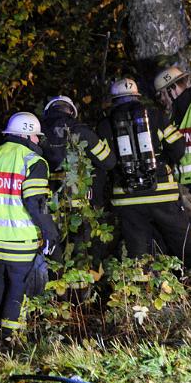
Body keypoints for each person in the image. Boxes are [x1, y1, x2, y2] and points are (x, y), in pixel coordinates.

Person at [0, 112, 58, 348]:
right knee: (17, 287)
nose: (38, 141)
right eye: (36, 137)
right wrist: (50, 232)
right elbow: (35, 202)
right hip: (20, 242)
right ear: (27, 135)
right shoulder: (33, 162)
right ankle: (7, 340)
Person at [95, 77, 191, 264]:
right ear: (137, 96)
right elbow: (178, 148)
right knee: (183, 239)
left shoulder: (105, 125)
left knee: (138, 253)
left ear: (113, 99)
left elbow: (104, 164)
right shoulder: (156, 116)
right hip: (162, 193)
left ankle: (142, 288)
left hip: (127, 197)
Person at [40, 95, 116, 266]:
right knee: (80, 255)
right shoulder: (82, 131)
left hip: (46, 207)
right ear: (71, 112)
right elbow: (109, 161)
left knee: (51, 255)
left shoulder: (38, 133)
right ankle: (79, 290)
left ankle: (54, 288)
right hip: (79, 206)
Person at [154, 66, 191, 195]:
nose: (161, 100)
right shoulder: (174, 115)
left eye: (161, 94)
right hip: (185, 185)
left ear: (172, 88)